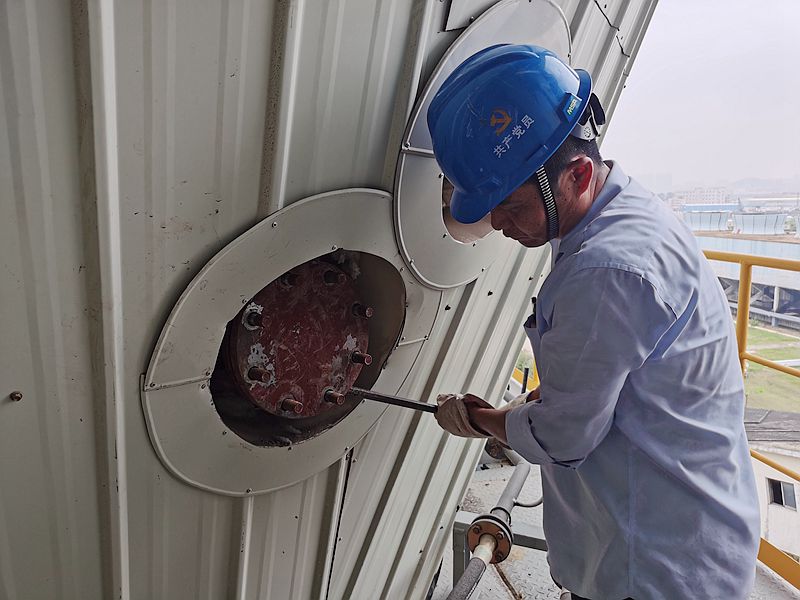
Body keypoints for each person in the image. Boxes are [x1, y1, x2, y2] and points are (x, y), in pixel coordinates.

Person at [428, 44, 760, 600]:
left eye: (510, 205)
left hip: (655, 568)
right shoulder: (620, 214)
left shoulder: (607, 270)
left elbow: (562, 437)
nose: (497, 223)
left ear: (578, 173)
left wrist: (480, 419)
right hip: (679, 531)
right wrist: (531, 405)